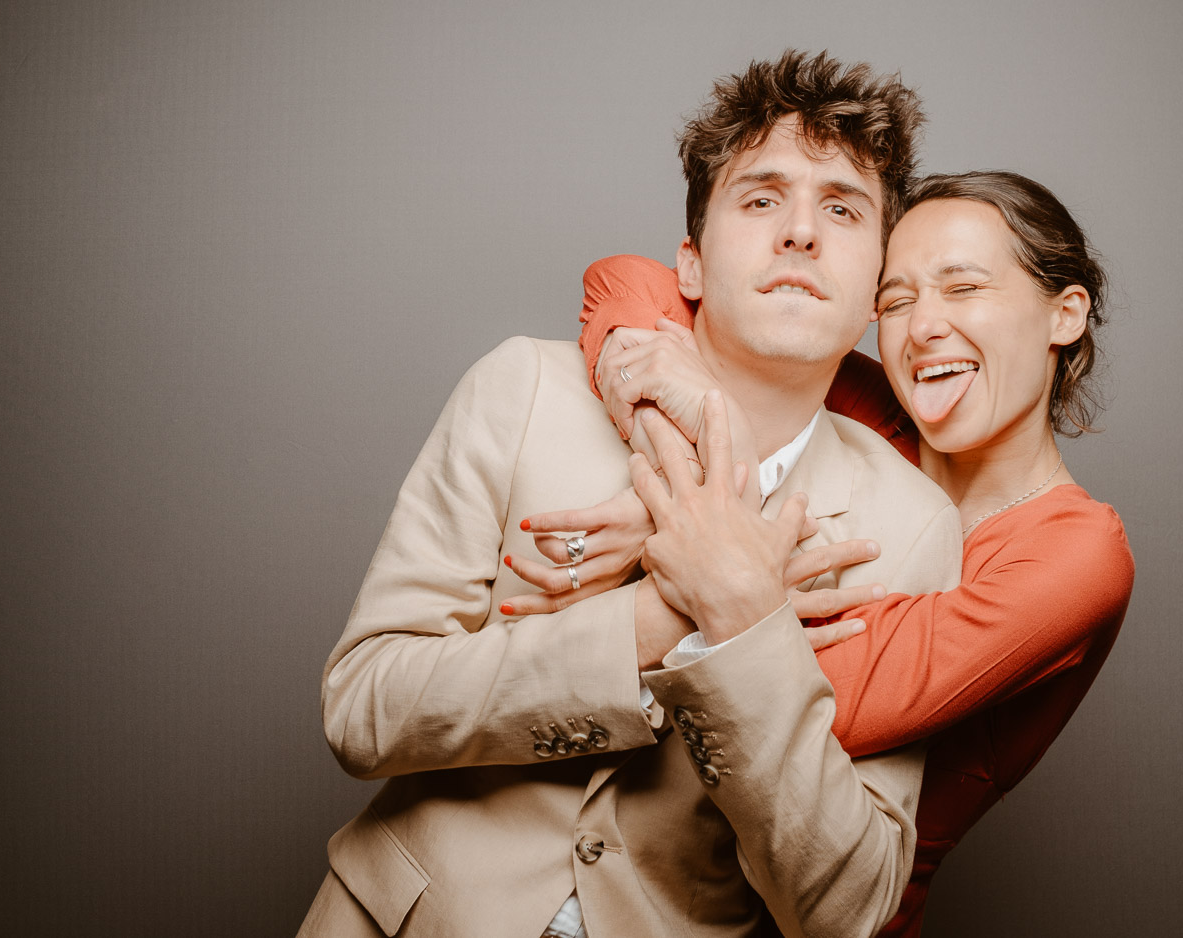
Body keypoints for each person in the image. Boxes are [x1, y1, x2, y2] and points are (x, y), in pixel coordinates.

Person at [298, 51, 965, 938]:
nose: (800, 231)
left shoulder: (912, 527)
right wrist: (654, 624)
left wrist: (744, 620)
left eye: (842, 209)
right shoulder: (523, 389)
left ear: (878, 285)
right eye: (761, 198)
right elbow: (363, 709)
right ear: (688, 262)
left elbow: (847, 908)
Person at [509, 171, 1135, 936]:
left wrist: (679, 536)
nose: (923, 326)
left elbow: (813, 701)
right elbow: (630, 279)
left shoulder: (1078, 552)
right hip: (664, 889)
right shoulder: (874, 417)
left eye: (963, 288)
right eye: (897, 300)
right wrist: (672, 436)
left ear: (1065, 313)